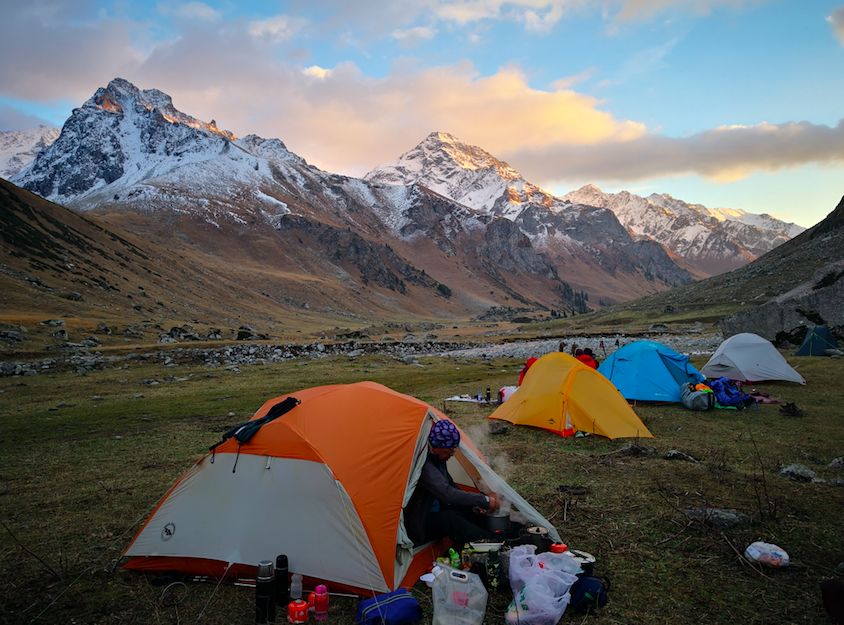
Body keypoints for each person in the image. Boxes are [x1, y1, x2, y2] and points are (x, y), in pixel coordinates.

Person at [404, 420, 499, 548]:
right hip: (420, 523)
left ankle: (494, 535)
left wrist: (474, 504)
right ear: (438, 446)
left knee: (468, 511)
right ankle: (491, 544)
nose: (452, 454)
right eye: (449, 450)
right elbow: (447, 494)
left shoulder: (439, 457)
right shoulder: (424, 465)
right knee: (451, 519)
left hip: (439, 508)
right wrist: (485, 500)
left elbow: (451, 485)